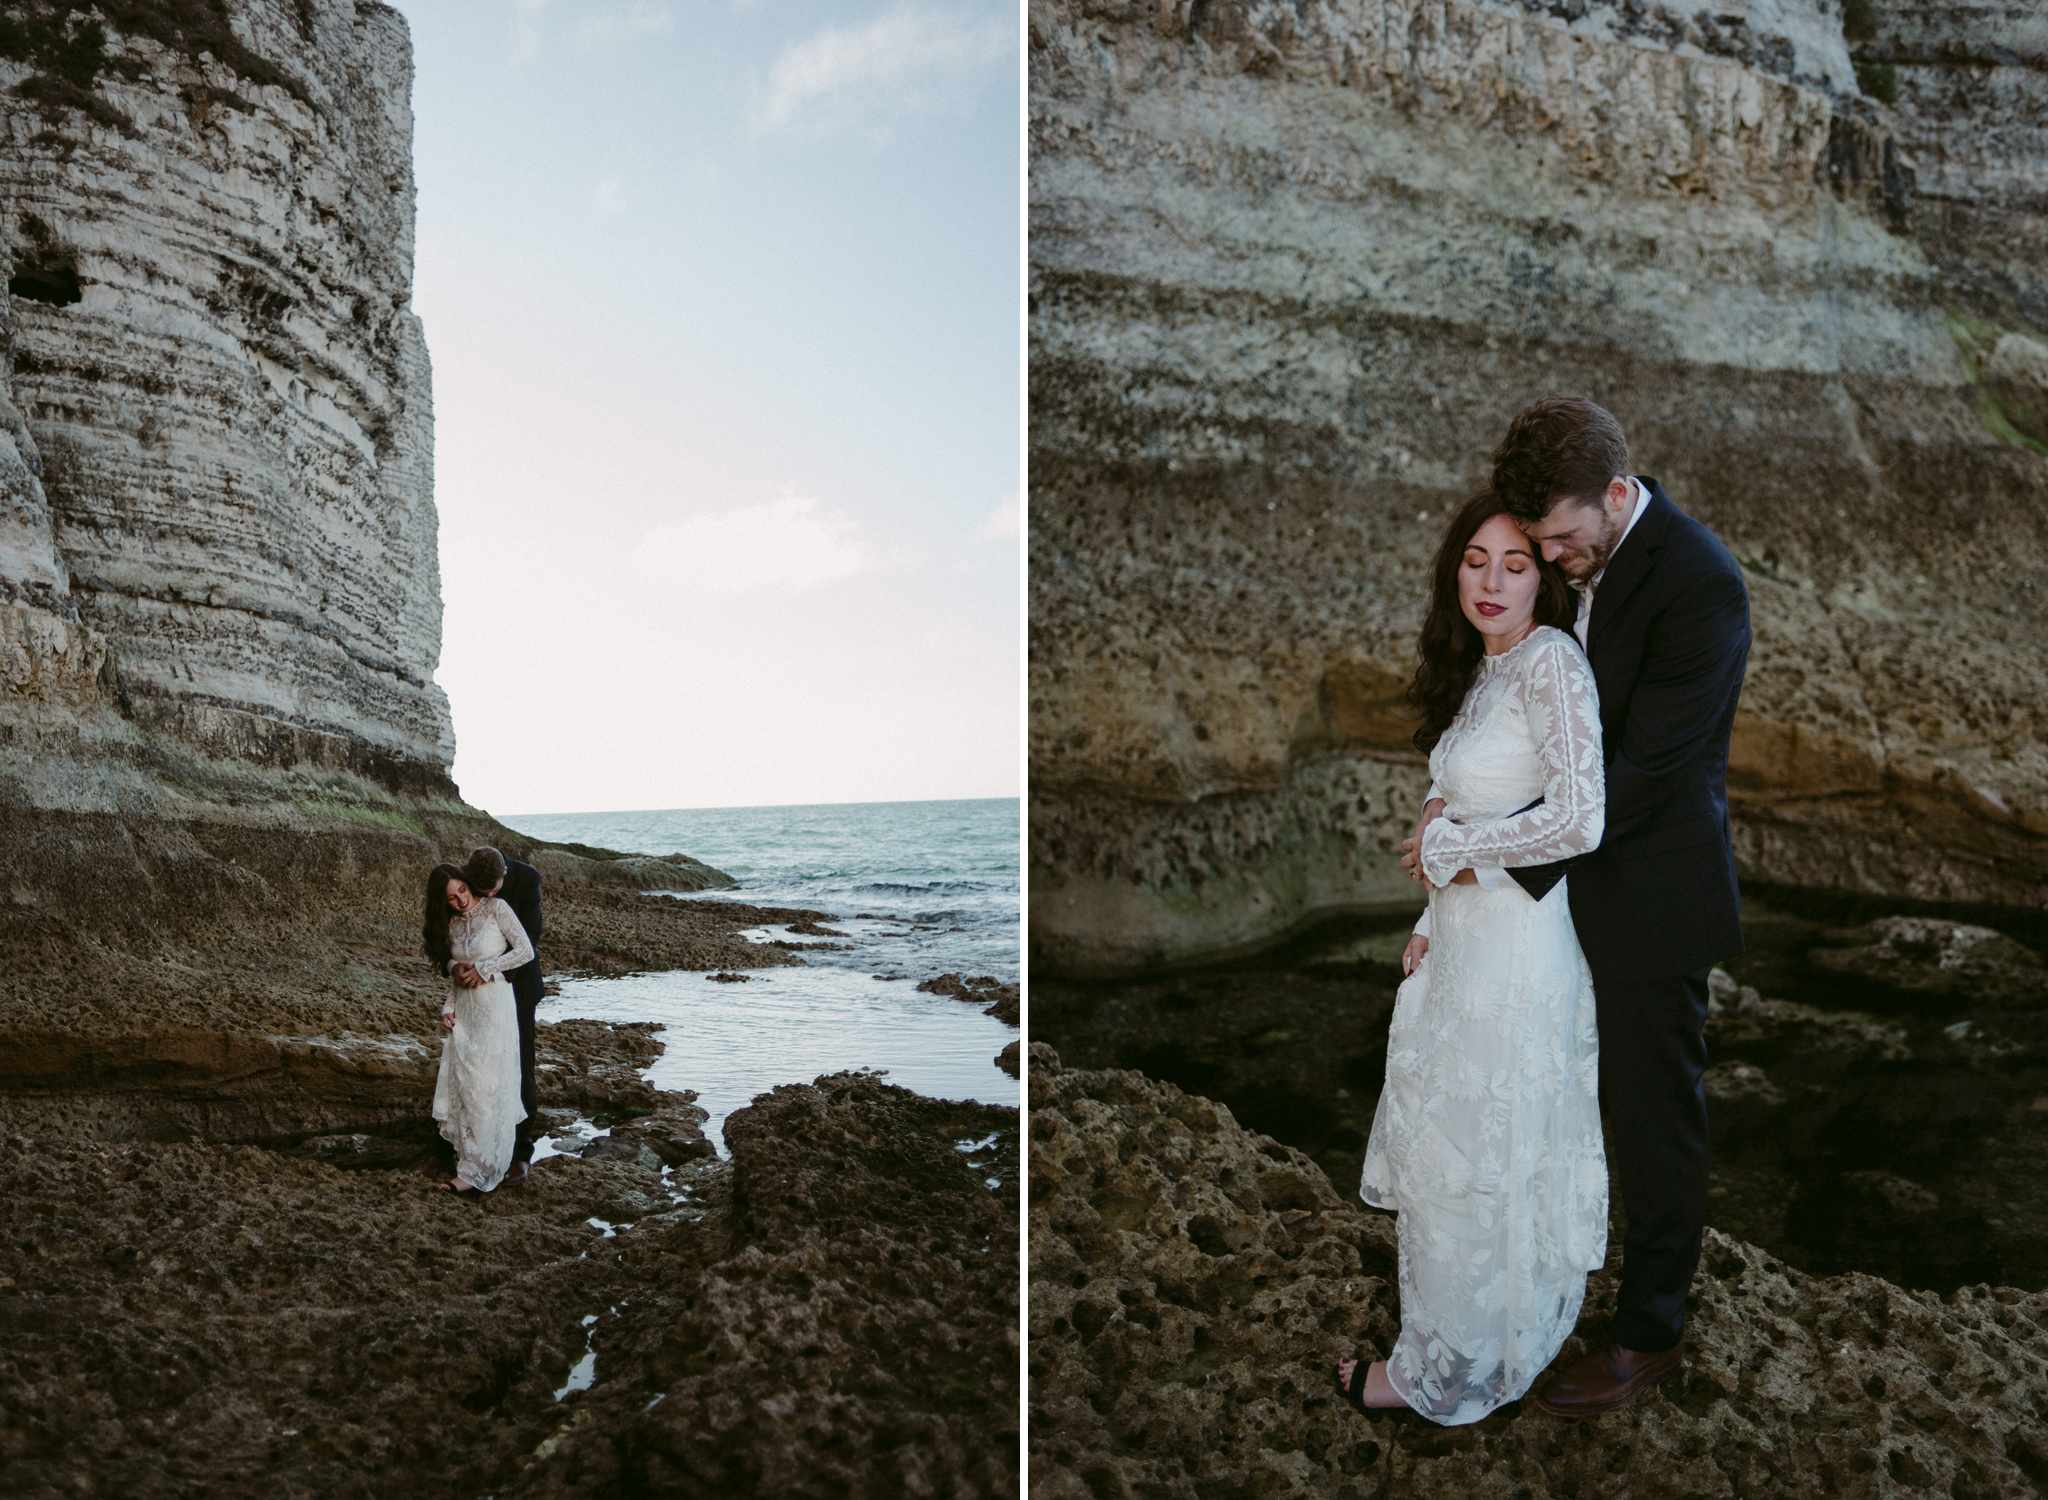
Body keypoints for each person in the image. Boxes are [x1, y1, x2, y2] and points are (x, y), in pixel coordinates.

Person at [1408, 395, 1752, 1417]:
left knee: (1651, 1117)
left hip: (1649, 894)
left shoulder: (1701, 584)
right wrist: (1452, 805)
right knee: (1555, 1104)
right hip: (1546, 902)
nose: (1549, 557)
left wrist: (1478, 850)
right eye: (1533, 542)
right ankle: (1548, 1285)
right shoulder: (1574, 565)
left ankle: (1648, 1331)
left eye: (1559, 538)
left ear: (1614, 494)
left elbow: (1640, 772)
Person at [1334, 490, 1610, 1425]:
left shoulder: (1551, 666)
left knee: (1487, 1152)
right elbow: (1457, 803)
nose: (1491, 582)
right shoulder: (1486, 673)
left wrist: (1451, 851)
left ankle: (1452, 1373)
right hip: (1459, 944)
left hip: (1518, 956)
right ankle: (1447, 1342)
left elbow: (1581, 818)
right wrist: (1426, 913)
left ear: (1545, 579)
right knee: (1452, 1152)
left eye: (1516, 564)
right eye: (1475, 561)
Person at [422, 863, 534, 1192]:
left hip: (495, 1006)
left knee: (487, 1086)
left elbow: (525, 951)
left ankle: (479, 1172)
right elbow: (456, 978)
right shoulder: (453, 925)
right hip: (467, 1013)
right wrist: (448, 1008)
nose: (460, 900)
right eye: (451, 898)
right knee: (466, 1085)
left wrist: (485, 968)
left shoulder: (497, 908)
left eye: (462, 891)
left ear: (469, 884)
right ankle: (469, 1163)